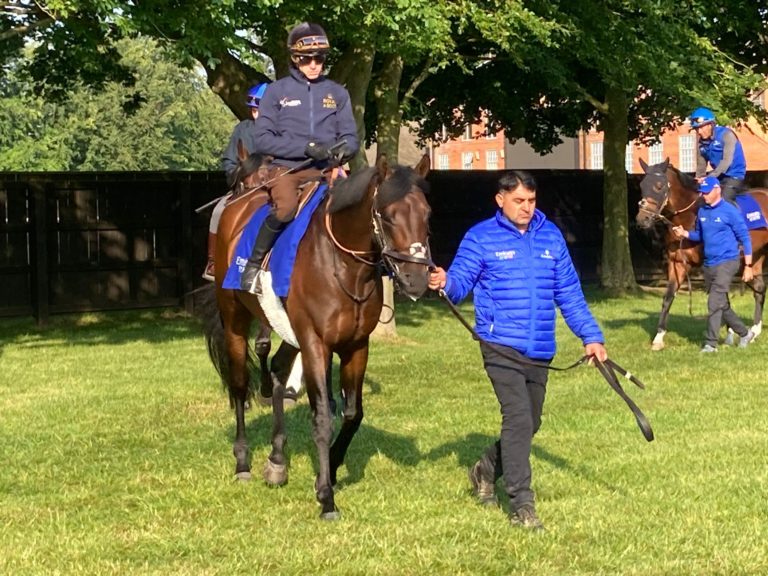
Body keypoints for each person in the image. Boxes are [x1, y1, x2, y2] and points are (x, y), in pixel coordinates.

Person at [428, 171, 607, 531]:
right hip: (499, 346)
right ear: (501, 200)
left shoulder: (551, 237)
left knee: (531, 423)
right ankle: (522, 504)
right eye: (519, 201)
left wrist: (592, 336)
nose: (526, 208)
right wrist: (446, 281)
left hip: (540, 348)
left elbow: (569, 294)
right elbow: (460, 282)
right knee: (519, 419)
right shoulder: (481, 238)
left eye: (531, 201)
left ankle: (485, 469)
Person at [240, 22, 359, 294]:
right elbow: (263, 139)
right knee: (286, 209)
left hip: (328, 172)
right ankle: (254, 265)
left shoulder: (338, 93)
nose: (314, 64)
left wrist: (342, 152)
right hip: (287, 170)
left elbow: (351, 136)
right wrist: (306, 148)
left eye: (320, 59)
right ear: (295, 58)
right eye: (308, 59)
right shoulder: (276, 92)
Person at [672, 176, 755, 352]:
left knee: (713, 301)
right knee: (721, 304)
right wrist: (685, 234)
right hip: (710, 264)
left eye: (707, 192)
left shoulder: (729, 211)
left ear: (718, 190)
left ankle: (711, 343)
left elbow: (745, 238)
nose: (704, 196)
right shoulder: (702, 211)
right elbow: (700, 236)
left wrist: (748, 266)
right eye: (702, 193)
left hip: (728, 261)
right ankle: (744, 333)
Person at [202, 82, 269, 281]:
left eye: (260, 109)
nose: (256, 114)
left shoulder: (283, 133)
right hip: (246, 186)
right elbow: (229, 160)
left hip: (275, 185)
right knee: (218, 212)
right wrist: (237, 176)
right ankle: (213, 262)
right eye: (253, 109)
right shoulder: (242, 129)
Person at [689, 107, 747, 203]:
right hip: (718, 176)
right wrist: (698, 180)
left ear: (710, 125)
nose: (699, 132)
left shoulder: (727, 135)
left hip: (734, 175)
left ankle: (734, 217)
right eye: (696, 129)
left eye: (701, 127)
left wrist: (711, 176)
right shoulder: (701, 143)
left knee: (723, 201)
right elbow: (701, 165)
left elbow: (726, 162)